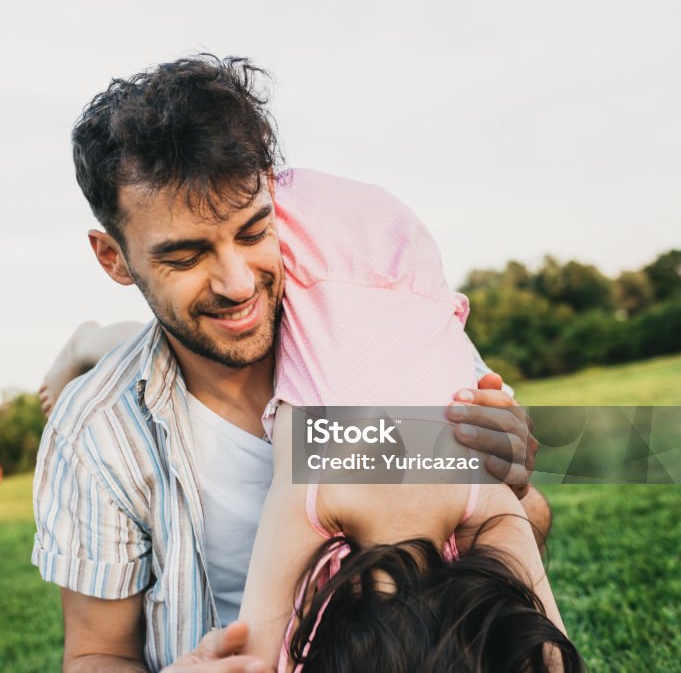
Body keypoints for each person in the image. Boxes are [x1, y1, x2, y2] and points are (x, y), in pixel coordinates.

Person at [32, 54, 542, 673]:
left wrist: (510, 477)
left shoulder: (373, 337)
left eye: (252, 233)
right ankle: (92, 341)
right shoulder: (97, 436)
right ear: (113, 258)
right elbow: (95, 652)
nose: (238, 283)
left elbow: (522, 532)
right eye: (187, 256)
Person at [233, 168, 581, 671]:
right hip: (324, 252)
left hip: (411, 270)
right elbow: (255, 657)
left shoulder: (478, 499)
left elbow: (553, 654)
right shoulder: (313, 497)